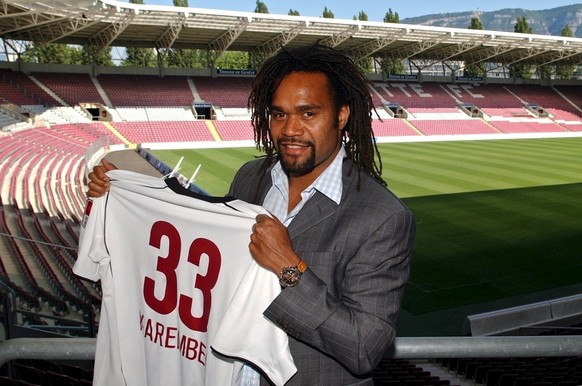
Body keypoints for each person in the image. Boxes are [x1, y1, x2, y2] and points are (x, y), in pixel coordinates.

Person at [86, 44, 415, 385]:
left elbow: (364, 348)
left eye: (308, 114)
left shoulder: (382, 217)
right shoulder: (250, 177)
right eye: (279, 114)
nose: (289, 130)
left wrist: (290, 270)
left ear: (341, 116)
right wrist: (119, 198)